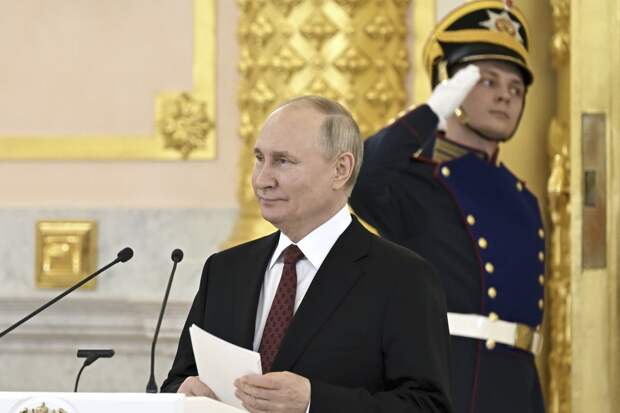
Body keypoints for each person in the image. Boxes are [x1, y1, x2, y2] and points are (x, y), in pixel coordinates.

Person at [161, 96, 452, 413]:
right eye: (259, 158)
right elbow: (177, 381)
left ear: (340, 170)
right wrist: (183, 392)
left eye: (283, 161)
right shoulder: (225, 270)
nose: (262, 180)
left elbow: (428, 406)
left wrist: (314, 402)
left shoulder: (403, 277)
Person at [349, 1, 546, 413]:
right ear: (449, 85)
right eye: (487, 81)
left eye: (516, 88)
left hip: (514, 387)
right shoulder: (416, 180)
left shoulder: (523, 198)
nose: (505, 96)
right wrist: (428, 114)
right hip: (445, 382)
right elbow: (359, 180)